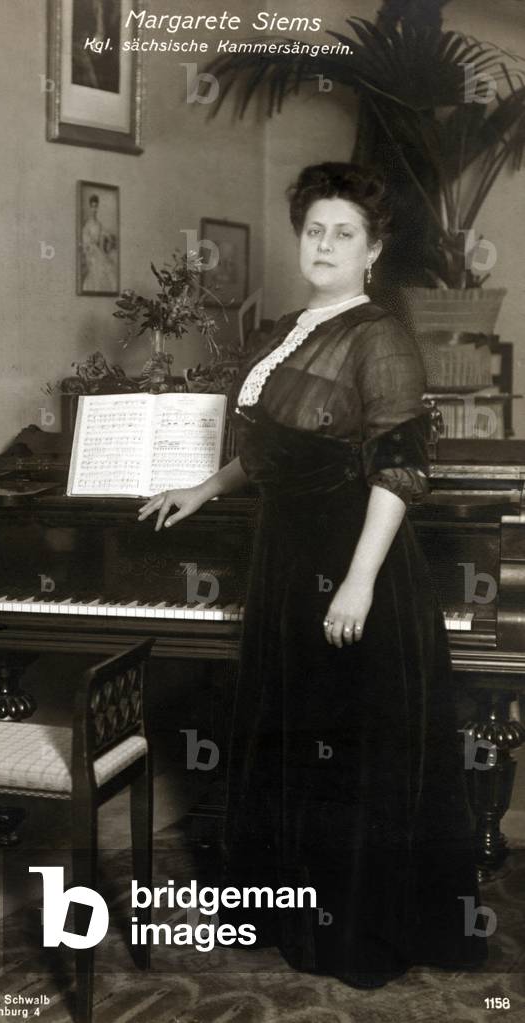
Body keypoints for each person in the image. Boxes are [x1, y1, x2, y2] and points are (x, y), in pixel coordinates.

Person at [138, 163, 488, 987]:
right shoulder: (282, 328)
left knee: (347, 752)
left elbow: (399, 470)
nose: (324, 244)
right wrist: (204, 485)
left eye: (343, 233)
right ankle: (286, 907)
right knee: (290, 737)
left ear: (373, 251)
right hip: (285, 564)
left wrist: (362, 580)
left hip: (355, 564)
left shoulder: (380, 336)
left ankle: (354, 930)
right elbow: (268, 450)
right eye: (314, 230)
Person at [81, 194, 117, 293]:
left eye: (96, 206)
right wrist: (91, 250)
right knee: (98, 269)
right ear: (89, 207)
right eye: (92, 206)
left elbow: (102, 243)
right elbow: (86, 244)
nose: (94, 209)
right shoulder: (87, 225)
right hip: (91, 254)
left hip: (98, 252)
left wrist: (104, 251)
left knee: (108, 266)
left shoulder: (99, 224)